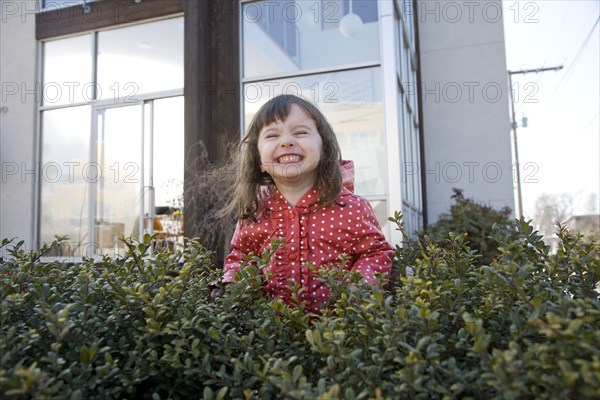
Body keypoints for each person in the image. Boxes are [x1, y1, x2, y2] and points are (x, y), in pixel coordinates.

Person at [219, 94, 394, 314]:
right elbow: (242, 258)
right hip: (270, 337)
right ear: (258, 160)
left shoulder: (352, 207)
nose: (286, 141)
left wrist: (359, 289)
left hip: (336, 333)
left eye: (301, 132)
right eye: (272, 135)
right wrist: (231, 287)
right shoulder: (254, 210)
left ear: (324, 148)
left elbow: (376, 253)